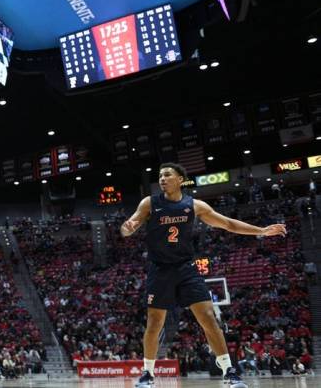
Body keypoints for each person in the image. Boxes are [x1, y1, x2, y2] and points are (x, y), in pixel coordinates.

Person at [120, 163, 287, 388]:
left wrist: (261, 231)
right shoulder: (149, 203)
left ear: (180, 179)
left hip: (186, 268)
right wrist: (127, 228)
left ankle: (229, 371)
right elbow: (128, 227)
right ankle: (147, 374)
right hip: (160, 269)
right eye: (160, 176)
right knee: (154, 323)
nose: (162, 179)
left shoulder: (195, 205)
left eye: (167, 175)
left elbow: (227, 224)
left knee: (208, 317)